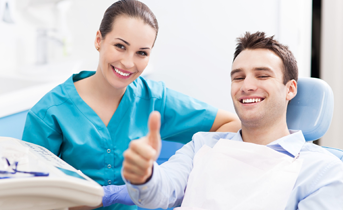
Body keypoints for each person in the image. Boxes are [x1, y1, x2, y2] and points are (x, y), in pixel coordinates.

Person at [21, 0, 240, 209]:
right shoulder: (49, 113)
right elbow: (29, 196)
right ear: (99, 40)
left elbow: (231, 124)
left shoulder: (154, 99)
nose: (128, 62)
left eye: (141, 53)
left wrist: (174, 175)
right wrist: (94, 199)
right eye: (120, 46)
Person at [122, 32, 343, 209]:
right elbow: (161, 193)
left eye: (262, 75)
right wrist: (144, 175)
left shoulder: (323, 171)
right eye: (238, 77)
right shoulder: (202, 146)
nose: (246, 86)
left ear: (290, 89)